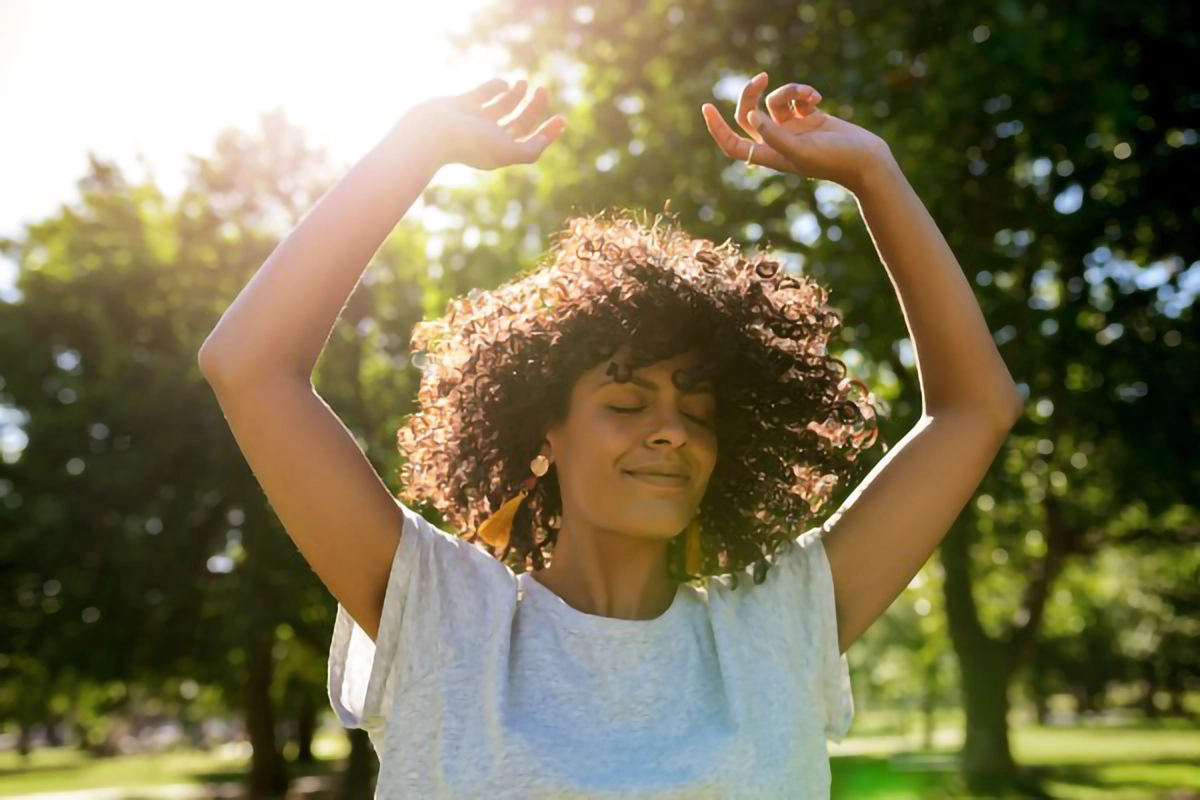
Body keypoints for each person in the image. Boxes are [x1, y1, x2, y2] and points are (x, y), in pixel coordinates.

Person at [198, 73, 1023, 798]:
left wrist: (874, 174)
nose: (671, 433)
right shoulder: (444, 616)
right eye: (627, 404)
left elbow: (975, 410)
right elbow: (249, 366)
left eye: (698, 412)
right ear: (541, 435)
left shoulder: (774, 626)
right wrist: (414, 148)